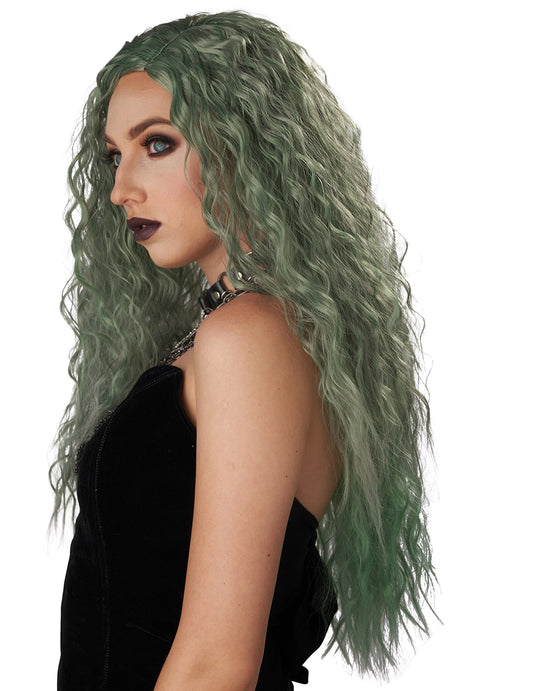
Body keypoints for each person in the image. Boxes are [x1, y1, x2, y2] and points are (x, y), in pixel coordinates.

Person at [50, 10, 437, 691]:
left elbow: (217, 665)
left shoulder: (249, 335)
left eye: (157, 144)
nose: (119, 189)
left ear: (246, 143)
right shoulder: (245, 330)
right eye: (114, 155)